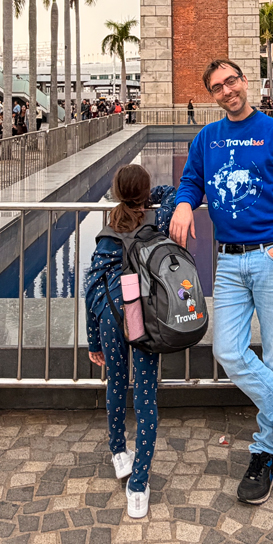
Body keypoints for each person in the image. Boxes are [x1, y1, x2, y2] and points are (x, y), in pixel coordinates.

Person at [169, 58, 273, 505]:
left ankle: (265, 452)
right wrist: (183, 204)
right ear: (212, 95)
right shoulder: (207, 138)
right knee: (227, 351)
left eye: (231, 81)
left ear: (245, 82)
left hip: (271, 258)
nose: (227, 91)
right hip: (228, 262)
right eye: (217, 87)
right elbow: (191, 181)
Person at [84, 163, 161, 519]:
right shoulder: (155, 224)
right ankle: (138, 485)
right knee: (145, 396)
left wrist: (93, 341)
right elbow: (174, 195)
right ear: (145, 195)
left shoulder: (107, 233)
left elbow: (92, 288)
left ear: (116, 193)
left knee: (116, 383)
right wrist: (153, 197)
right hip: (141, 317)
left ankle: (118, 453)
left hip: (111, 316)